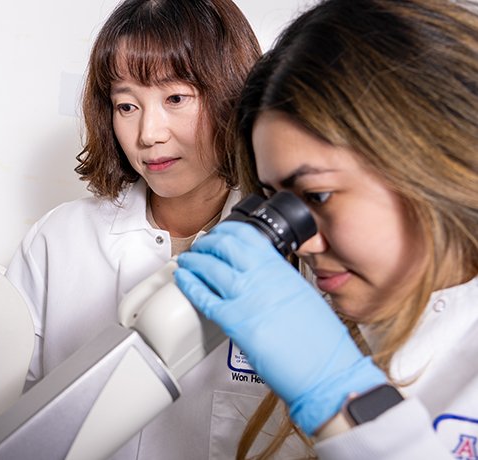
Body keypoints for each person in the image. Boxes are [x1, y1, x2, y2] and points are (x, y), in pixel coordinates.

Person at [174, 0, 478, 458]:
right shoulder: (335, 340)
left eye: (316, 195)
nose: (305, 242)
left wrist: (340, 396)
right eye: (278, 200)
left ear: (436, 162)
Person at [6, 0, 277, 458]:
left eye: (175, 98)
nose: (149, 133)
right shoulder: (58, 241)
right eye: (127, 105)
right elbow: (5, 415)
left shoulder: (295, 255)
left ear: (234, 95)